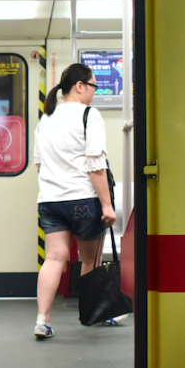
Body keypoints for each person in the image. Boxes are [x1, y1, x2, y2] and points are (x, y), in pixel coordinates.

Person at [33, 63, 116, 340]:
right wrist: (106, 205)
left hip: (50, 200)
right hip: (82, 199)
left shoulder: (46, 118)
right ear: (79, 86)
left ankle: (42, 319)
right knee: (88, 261)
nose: (94, 93)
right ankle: (92, 314)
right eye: (93, 86)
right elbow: (96, 165)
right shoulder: (89, 115)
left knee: (54, 259)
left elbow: (38, 163)